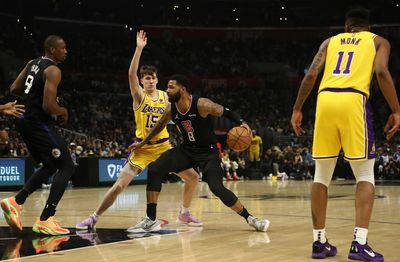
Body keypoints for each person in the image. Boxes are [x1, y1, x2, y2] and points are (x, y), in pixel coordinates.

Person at [291, 7, 400, 262]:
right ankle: (359, 244)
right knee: (364, 174)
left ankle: (319, 242)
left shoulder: (330, 42)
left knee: (321, 175)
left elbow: (311, 75)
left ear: (346, 26)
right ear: (368, 27)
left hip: (325, 100)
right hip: (353, 100)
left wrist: (297, 109)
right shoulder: (378, 41)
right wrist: (396, 110)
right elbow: (382, 72)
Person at [76, 30, 202, 230]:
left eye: (152, 78)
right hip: (142, 149)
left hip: (163, 148)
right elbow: (130, 74)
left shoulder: (166, 97)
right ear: (141, 82)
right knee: (118, 186)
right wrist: (139, 48)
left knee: (193, 177)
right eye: (146, 78)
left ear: (157, 79)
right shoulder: (139, 97)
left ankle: (184, 213)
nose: (150, 81)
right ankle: (93, 217)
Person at [127, 74, 269, 233]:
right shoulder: (171, 109)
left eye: (171, 87)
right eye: (167, 87)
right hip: (187, 150)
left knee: (216, 188)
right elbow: (159, 126)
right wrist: (142, 142)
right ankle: (151, 219)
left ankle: (251, 218)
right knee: (155, 169)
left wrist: (242, 123)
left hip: (208, 153)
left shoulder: (202, 104)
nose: (167, 90)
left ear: (183, 89)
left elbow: (226, 112)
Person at [1, 35, 74, 235]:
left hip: (23, 119)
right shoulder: (53, 70)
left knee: (51, 165)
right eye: (63, 47)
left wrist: (32, 92)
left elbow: (15, 88)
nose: (66, 51)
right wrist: (63, 111)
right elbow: (48, 105)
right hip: (37, 121)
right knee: (66, 165)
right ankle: (46, 218)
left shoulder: (32, 63)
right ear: (51, 49)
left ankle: (16, 202)